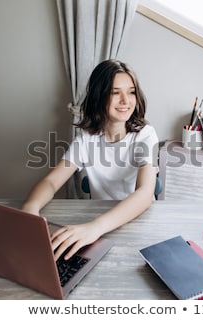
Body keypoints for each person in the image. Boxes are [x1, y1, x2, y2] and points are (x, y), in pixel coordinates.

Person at [22, 59, 159, 261]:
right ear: (99, 96)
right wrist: (30, 208)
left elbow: (145, 193)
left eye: (131, 92)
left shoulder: (146, 135)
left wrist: (96, 227)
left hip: (136, 220)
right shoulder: (87, 139)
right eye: (115, 93)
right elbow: (51, 182)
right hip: (100, 222)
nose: (125, 100)